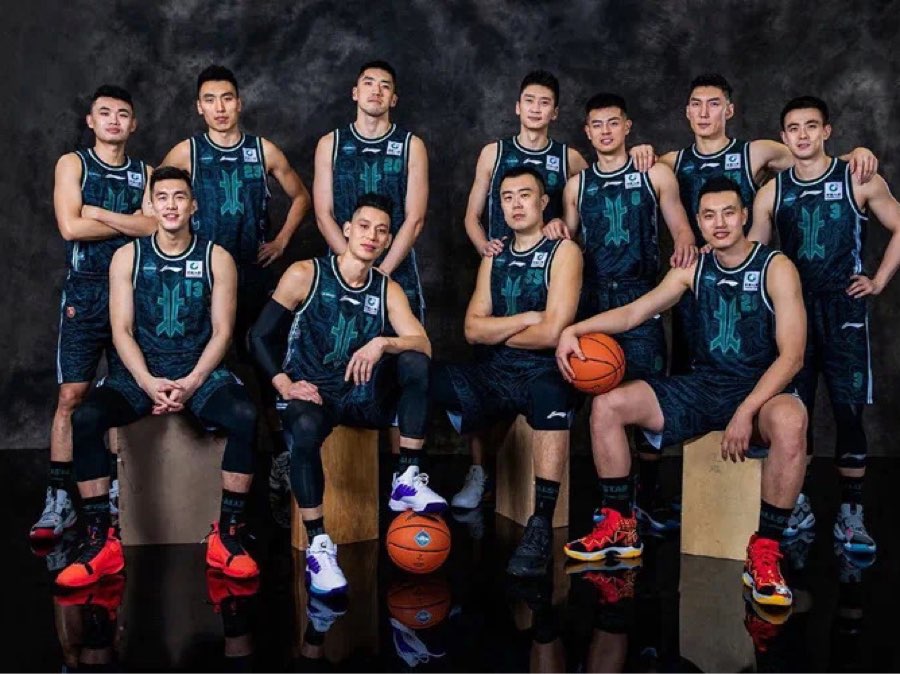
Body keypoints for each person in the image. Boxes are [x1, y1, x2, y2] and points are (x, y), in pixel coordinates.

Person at [559, 177, 807, 607]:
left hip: (761, 389)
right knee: (608, 404)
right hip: (705, 386)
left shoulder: (775, 266)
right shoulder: (694, 268)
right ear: (699, 221)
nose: (719, 223)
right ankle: (620, 524)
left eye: (728, 212)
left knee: (791, 419)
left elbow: (793, 357)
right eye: (709, 215)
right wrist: (575, 329)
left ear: (745, 215)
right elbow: (636, 312)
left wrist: (747, 410)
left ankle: (765, 551)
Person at [55, 166, 259, 588]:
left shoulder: (216, 258)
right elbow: (121, 331)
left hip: (199, 373)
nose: (171, 205)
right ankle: (100, 542)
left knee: (245, 415)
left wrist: (193, 381)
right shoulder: (128, 256)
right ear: (150, 205)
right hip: (138, 375)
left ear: (193, 205)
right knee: (86, 418)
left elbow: (222, 332)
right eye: (161, 197)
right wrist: (148, 382)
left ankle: (228, 537)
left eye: (179, 197)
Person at [249, 193, 446, 596]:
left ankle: (407, 476)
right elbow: (259, 336)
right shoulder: (306, 274)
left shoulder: (388, 289)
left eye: (381, 231)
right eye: (364, 226)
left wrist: (382, 343)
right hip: (312, 393)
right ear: (347, 229)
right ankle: (319, 546)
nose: (372, 236)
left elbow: (422, 344)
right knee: (304, 428)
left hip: (361, 396)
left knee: (415, 362)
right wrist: (284, 383)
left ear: (388, 241)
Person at [750, 96, 900, 554]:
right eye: (793, 128)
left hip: (843, 312)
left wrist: (878, 280)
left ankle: (851, 513)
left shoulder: (857, 176)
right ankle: (797, 504)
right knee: (797, 413)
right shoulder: (772, 191)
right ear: (784, 136)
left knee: (848, 411)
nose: (802, 135)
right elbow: (755, 256)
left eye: (811, 126)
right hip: (793, 313)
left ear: (827, 131)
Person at [433, 166, 583, 577]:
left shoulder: (564, 252)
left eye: (525, 195)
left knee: (554, 393)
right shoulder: (494, 256)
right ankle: (419, 489)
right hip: (496, 373)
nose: (516, 204)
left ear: (543, 202)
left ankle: (540, 524)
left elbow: (552, 333)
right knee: (420, 375)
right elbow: (470, 329)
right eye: (507, 197)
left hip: (543, 371)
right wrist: (526, 319)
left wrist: (496, 331)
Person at [560, 92, 697, 532]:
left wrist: (684, 245)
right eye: (597, 124)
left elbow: (681, 228)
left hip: (641, 295)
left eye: (613, 123)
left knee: (646, 395)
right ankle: (612, 503)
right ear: (587, 132)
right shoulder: (576, 186)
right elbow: (567, 242)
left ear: (627, 126)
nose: (605, 131)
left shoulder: (653, 172)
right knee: (597, 395)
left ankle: (649, 496)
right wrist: (555, 228)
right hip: (594, 300)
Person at [453, 69, 587, 510]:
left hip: (543, 269)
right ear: (517, 106)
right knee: (482, 374)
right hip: (500, 270)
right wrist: (486, 249)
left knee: (538, 362)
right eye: (529, 100)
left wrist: (562, 225)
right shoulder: (494, 152)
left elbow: (583, 202)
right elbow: (472, 215)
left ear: (555, 111)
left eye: (544, 102)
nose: (535, 108)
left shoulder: (569, 158)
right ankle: (479, 471)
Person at [31, 85, 156, 543]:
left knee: (125, 392)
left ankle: (118, 492)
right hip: (85, 293)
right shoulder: (74, 163)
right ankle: (59, 497)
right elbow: (70, 226)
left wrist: (99, 213)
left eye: (123, 114)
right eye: (105, 113)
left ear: (133, 124)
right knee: (72, 395)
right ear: (91, 120)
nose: (114, 120)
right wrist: (129, 222)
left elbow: (154, 225)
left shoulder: (146, 173)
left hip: (132, 292)